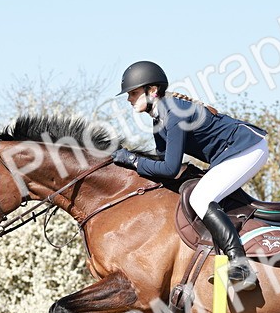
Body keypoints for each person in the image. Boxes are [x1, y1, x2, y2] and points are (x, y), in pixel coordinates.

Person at [111, 60, 267, 290]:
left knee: (201, 198)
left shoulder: (173, 113)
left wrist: (133, 160)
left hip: (248, 147)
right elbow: (164, 164)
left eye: (133, 93)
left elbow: (170, 168)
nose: (129, 99)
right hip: (229, 154)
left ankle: (241, 266)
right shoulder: (159, 118)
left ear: (152, 90)